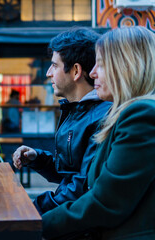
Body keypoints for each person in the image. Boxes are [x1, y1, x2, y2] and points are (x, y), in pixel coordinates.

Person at [42, 26, 155, 240]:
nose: (92, 73)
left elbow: (106, 202)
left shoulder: (141, 115)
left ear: (126, 68)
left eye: (101, 65)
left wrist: (37, 224)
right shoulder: (121, 113)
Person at [12, 28, 111, 215]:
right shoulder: (77, 109)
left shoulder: (101, 117)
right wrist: (38, 158)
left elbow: (81, 189)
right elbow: (69, 173)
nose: (49, 73)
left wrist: (31, 211)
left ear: (75, 71)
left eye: (55, 66)